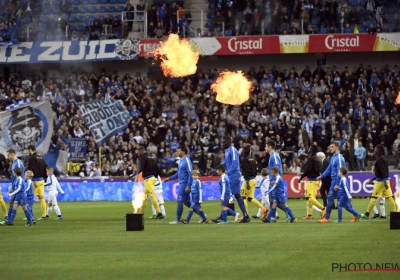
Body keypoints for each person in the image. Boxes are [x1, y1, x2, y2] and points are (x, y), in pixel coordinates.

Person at [361, 144, 397, 219]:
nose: (374, 150)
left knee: (373, 197)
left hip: (381, 182)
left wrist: (383, 180)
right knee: (390, 197)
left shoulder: (379, 159)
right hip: (385, 180)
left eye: (376, 149)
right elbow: (383, 171)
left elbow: (383, 170)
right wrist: (374, 178)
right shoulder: (383, 158)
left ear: (379, 150)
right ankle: (395, 213)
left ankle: (367, 214)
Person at [221, 136, 249, 223]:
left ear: (229, 141)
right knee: (237, 195)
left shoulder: (232, 150)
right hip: (232, 175)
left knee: (226, 194)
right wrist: (219, 168)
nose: (223, 143)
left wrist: (226, 173)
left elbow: (235, 164)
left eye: (224, 141)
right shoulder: (227, 151)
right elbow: (225, 163)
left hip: (234, 175)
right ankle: (246, 215)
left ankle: (223, 216)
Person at [317, 142, 345, 223]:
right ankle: (355, 215)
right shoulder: (333, 158)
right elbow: (329, 169)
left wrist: (337, 183)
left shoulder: (339, 157)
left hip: (337, 181)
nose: (330, 148)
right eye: (330, 147)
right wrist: (321, 176)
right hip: (334, 181)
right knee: (342, 201)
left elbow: (341, 171)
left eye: (332, 147)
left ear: (337, 147)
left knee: (331, 198)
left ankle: (327, 217)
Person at [165, 146, 193, 224]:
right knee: (187, 202)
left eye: (178, 151)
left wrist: (188, 185)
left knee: (179, 201)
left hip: (185, 184)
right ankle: (202, 215)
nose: (177, 153)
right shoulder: (181, 161)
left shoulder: (187, 161)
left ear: (183, 152)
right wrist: (169, 178)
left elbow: (190, 173)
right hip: (182, 183)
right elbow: (178, 173)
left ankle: (177, 220)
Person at [298, 145, 326, 219]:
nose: (309, 149)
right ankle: (310, 215)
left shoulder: (311, 158)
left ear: (312, 149)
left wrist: (301, 177)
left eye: (310, 148)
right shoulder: (316, 158)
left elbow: (308, 170)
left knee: (309, 197)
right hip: (315, 180)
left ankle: (323, 208)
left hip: (311, 180)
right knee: (310, 198)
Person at [240, 145, 268, 219]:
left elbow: (246, 171)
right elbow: (255, 170)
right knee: (250, 198)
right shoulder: (252, 159)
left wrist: (247, 180)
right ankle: (263, 209)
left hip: (248, 180)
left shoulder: (244, 159)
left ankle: (245, 215)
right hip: (253, 179)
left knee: (242, 197)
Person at [137, 147, 163, 219]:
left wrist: (135, 174)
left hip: (148, 179)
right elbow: (157, 168)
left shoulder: (143, 157)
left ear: (141, 152)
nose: (138, 154)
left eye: (138, 152)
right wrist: (155, 176)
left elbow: (141, 168)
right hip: (152, 178)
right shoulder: (152, 156)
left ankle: (159, 213)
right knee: (144, 197)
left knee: (152, 195)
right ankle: (140, 213)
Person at [1, 149, 25, 225]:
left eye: (8, 155)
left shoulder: (17, 163)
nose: (7, 157)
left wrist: (13, 187)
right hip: (18, 186)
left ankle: (9, 220)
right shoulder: (15, 163)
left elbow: (18, 176)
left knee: (17, 204)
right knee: (15, 203)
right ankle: (9, 220)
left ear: (12, 154)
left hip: (18, 186)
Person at [265, 140, 287, 221]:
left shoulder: (274, 156)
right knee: (272, 200)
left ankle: (288, 213)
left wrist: (275, 179)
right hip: (272, 180)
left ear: (270, 147)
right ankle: (273, 217)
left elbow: (277, 167)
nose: (265, 148)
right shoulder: (272, 155)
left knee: (275, 200)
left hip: (275, 181)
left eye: (266, 146)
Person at [27, 145, 47, 221]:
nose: (27, 152)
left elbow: (33, 169)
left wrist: (34, 179)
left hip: (35, 180)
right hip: (42, 180)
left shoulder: (32, 158)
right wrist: (45, 178)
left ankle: (29, 215)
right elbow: (45, 168)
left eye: (27, 150)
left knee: (29, 198)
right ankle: (44, 215)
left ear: (30, 150)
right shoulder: (41, 157)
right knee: (42, 198)